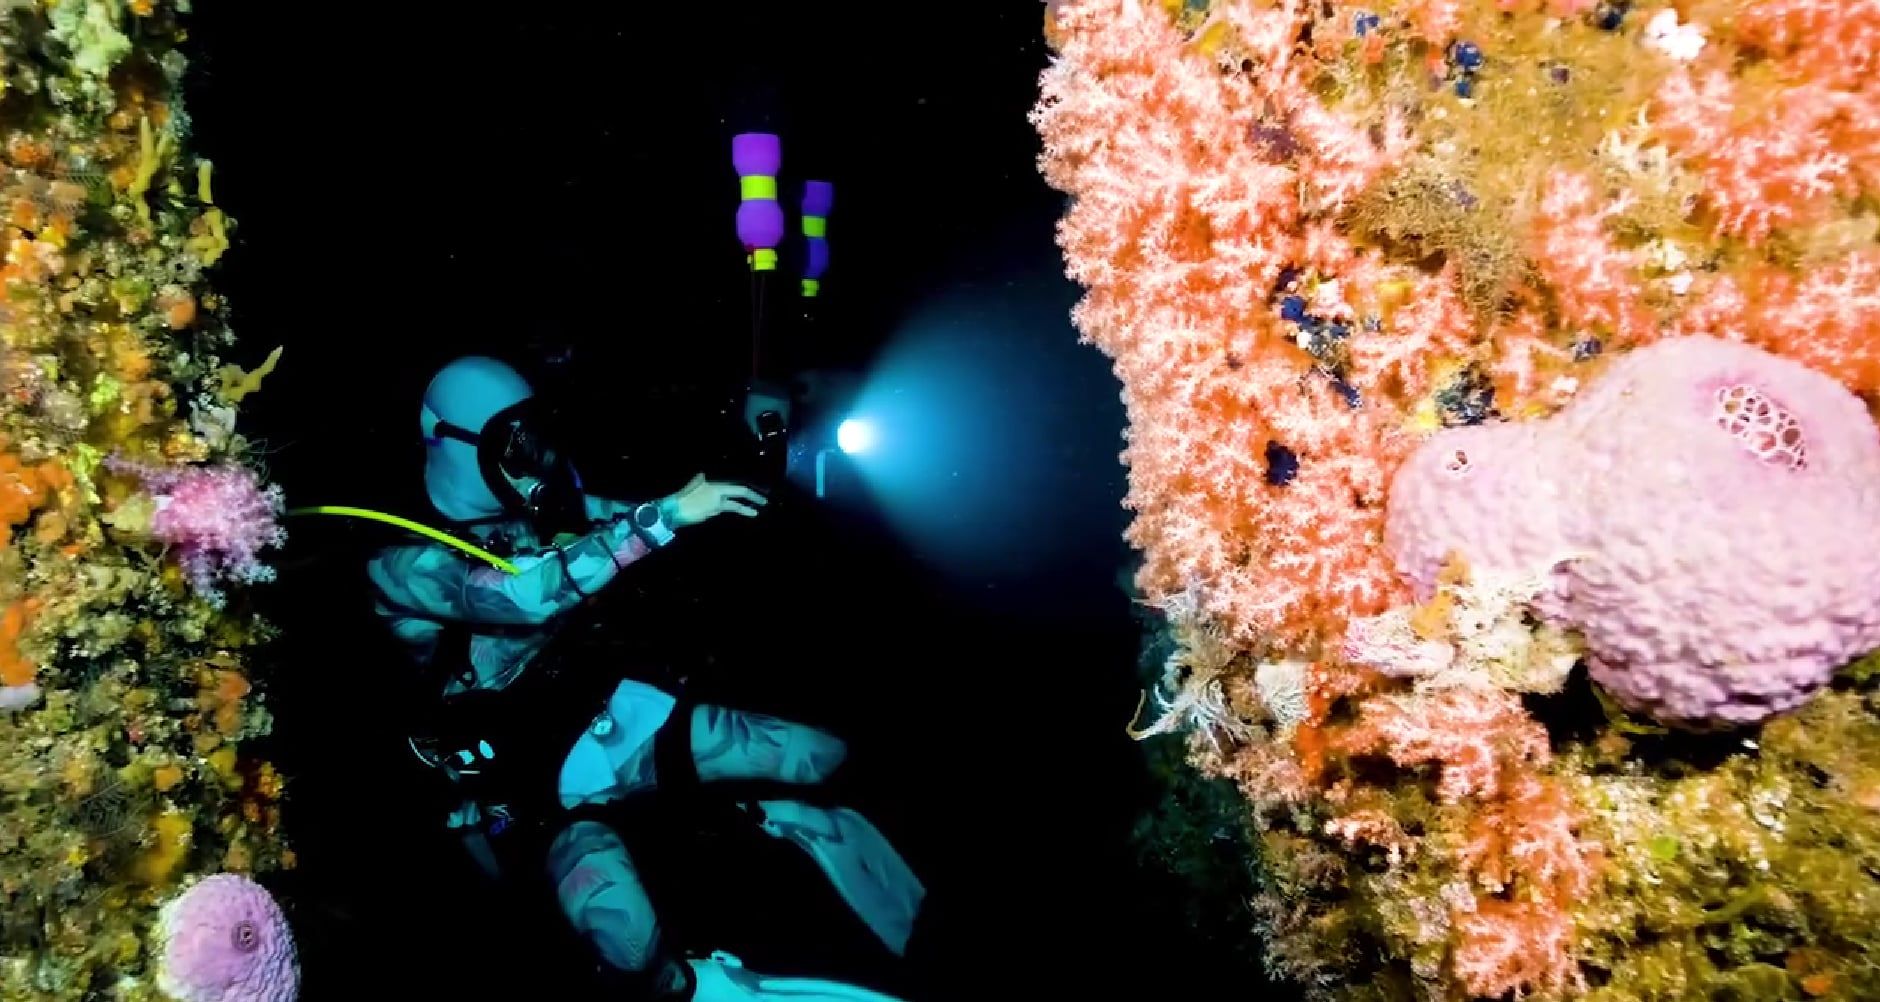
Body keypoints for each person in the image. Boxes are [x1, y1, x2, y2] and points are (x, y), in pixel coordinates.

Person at [367, 356, 925, 1001]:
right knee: (627, 940)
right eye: (514, 442)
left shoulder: (534, 500)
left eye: (536, 433)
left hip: (612, 714)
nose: (536, 458)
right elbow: (522, 596)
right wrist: (665, 518)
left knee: (815, 753)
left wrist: (725, 485)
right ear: (456, 444)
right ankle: (688, 984)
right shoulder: (398, 559)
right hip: (527, 783)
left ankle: (764, 822)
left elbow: (615, 512)